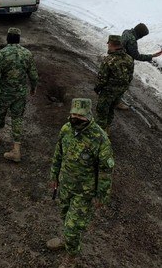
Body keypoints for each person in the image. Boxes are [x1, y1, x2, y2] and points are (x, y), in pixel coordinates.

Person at [47, 98, 114, 268]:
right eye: (73, 114)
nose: (75, 118)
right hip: (65, 185)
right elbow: (58, 153)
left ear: (88, 116)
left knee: (73, 227)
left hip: (84, 193)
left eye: (80, 116)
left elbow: (106, 170)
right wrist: (54, 175)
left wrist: (102, 195)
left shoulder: (100, 138)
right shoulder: (66, 129)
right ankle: (66, 240)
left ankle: (71, 258)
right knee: (64, 216)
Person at [0, 27, 38, 162]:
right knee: (17, 118)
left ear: (8, 38)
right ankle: (16, 150)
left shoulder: (1, 54)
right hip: (20, 94)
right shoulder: (27, 54)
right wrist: (33, 88)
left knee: (0, 115)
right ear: (19, 39)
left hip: (4, 93)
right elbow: (33, 74)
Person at [94, 35, 134, 133]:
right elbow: (130, 76)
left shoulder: (108, 60)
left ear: (111, 44)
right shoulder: (129, 58)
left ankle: (100, 134)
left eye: (108, 43)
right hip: (119, 92)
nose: (108, 45)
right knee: (111, 109)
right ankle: (107, 129)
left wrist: (97, 88)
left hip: (108, 92)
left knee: (101, 112)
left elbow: (102, 79)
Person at [117, 23, 162, 110]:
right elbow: (136, 56)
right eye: (142, 35)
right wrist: (152, 56)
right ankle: (117, 102)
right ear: (140, 34)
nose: (142, 37)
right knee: (123, 83)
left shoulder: (126, 32)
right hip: (124, 63)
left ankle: (114, 98)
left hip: (118, 59)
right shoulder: (132, 40)